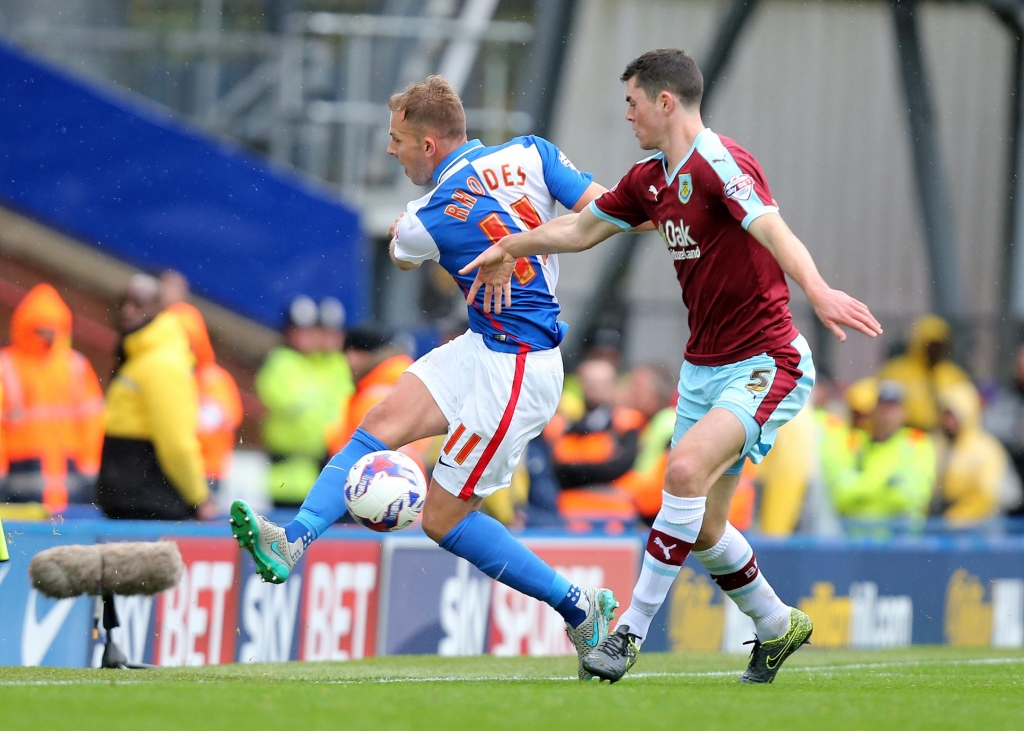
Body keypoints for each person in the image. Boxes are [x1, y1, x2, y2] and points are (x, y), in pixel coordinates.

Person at [461, 49, 882, 683]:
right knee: (707, 529)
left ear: (665, 102)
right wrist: (509, 246)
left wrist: (818, 289)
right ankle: (776, 623)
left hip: (767, 360)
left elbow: (772, 228)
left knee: (681, 472)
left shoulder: (720, 162)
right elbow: (580, 232)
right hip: (702, 368)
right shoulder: (648, 180)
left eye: (632, 103)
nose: (625, 116)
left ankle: (627, 635)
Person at [230, 75, 621, 678]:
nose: (392, 150)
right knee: (378, 425)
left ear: (429, 144)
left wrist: (484, 242)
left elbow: (402, 250)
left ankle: (579, 609)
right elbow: (606, 208)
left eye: (397, 139)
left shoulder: (424, 218)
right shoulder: (532, 153)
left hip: (516, 367)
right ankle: (295, 538)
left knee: (440, 518)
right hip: (485, 343)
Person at [98, 274, 213, 520]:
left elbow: (176, 442)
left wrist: (198, 498)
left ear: (159, 309)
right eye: (123, 303)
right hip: (136, 501)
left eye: (139, 304)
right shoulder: (140, 355)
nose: (127, 311)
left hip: (150, 504)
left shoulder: (161, 362)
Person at [0, 283, 105, 512]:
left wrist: (91, 470)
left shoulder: (74, 365)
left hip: (70, 485)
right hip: (20, 483)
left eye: (51, 328)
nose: (46, 335)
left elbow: (92, 421)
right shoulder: (7, 365)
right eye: (40, 328)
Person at [255, 295, 354, 506]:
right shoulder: (281, 362)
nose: (312, 338)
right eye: (302, 331)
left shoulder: (335, 364)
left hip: (331, 473)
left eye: (317, 331)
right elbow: (292, 406)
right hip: (288, 478)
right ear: (288, 333)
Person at [828, 379, 935, 526]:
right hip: (856, 542)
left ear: (904, 412)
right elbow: (840, 495)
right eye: (883, 406)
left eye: (893, 407)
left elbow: (908, 497)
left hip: (900, 542)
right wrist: (885, 486)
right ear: (874, 410)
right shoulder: (855, 441)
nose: (887, 414)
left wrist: (860, 490)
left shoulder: (916, 441)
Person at [167, 301, 244, 496]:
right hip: (172, 470)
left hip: (206, 474)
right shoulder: (169, 374)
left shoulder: (214, 379)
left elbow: (210, 422)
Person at [938, 382, 1022, 524]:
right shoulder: (937, 444)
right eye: (945, 414)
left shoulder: (986, 448)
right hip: (942, 527)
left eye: (952, 415)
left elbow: (987, 495)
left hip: (981, 530)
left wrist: (954, 519)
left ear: (966, 414)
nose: (948, 421)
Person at [878, 314, 971, 431]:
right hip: (905, 434)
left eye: (940, 345)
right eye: (932, 345)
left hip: (941, 437)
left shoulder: (954, 375)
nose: (936, 351)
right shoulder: (896, 372)